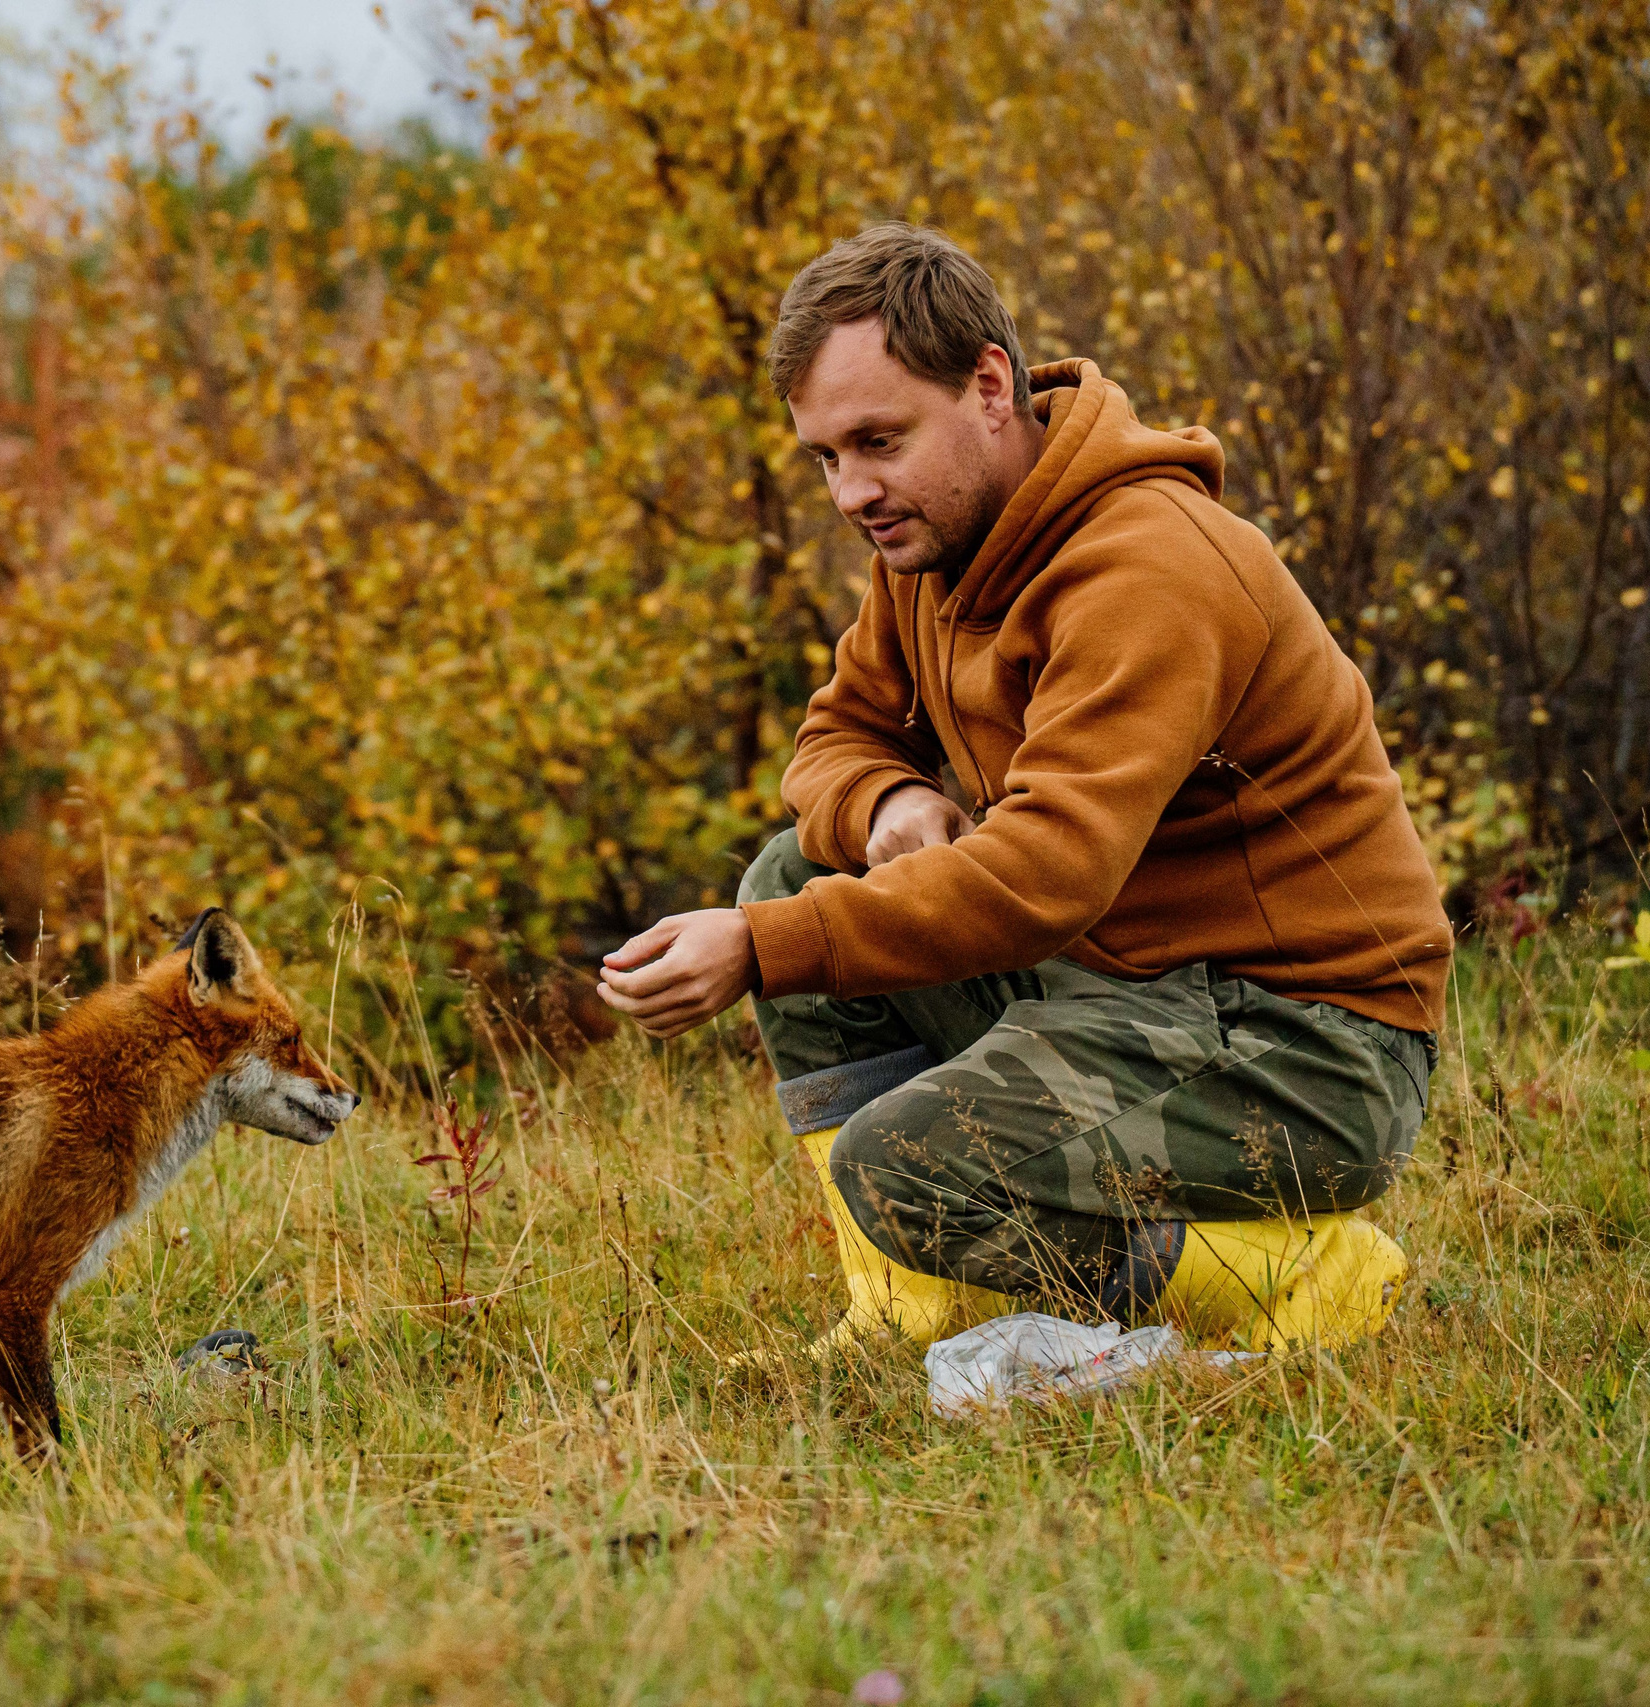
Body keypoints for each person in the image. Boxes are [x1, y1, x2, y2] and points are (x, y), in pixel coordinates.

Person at [596, 223, 1452, 1351]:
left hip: (1303, 1044)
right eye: (825, 458)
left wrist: (758, 948)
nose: (852, 491)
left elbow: (1048, 873)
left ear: (990, 387)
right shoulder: (936, 541)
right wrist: (889, 803)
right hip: (1119, 982)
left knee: (901, 1162)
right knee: (795, 870)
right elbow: (835, 735)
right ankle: (909, 1303)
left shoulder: (1148, 568)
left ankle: (1304, 1276)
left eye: (878, 441)